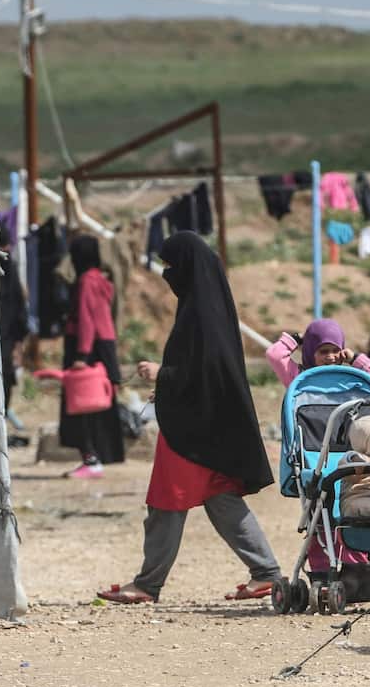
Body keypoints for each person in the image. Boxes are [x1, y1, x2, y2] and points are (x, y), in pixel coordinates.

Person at [96, 232, 282, 604]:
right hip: (203, 420)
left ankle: (148, 585)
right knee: (221, 497)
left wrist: (163, 374)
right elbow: (205, 371)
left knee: (166, 501)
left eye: (170, 267)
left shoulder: (201, 312)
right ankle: (266, 573)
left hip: (193, 430)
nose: (167, 274)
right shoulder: (207, 305)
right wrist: (169, 388)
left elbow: (206, 369)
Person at [59, 235, 124, 478]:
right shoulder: (100, 279)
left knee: (81, 405)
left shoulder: (86, 281)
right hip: (104, 346)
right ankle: (96, 457)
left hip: (86, 347)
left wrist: (81, 356)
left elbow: (87, 319)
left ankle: (91, 458)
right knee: (99, 405)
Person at [267, 318, 370, 389]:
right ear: (310, 351)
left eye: (336, 351)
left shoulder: (349, 380)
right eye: (323, 351)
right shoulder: (299, 378)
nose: (331, 357)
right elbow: (275, 355)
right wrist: (297, 338)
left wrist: (356, 359)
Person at [0, 224, 29, 445]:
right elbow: (20, 310)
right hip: (4, 343)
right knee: (3, 386)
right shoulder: (8, 266)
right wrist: (19, 343)